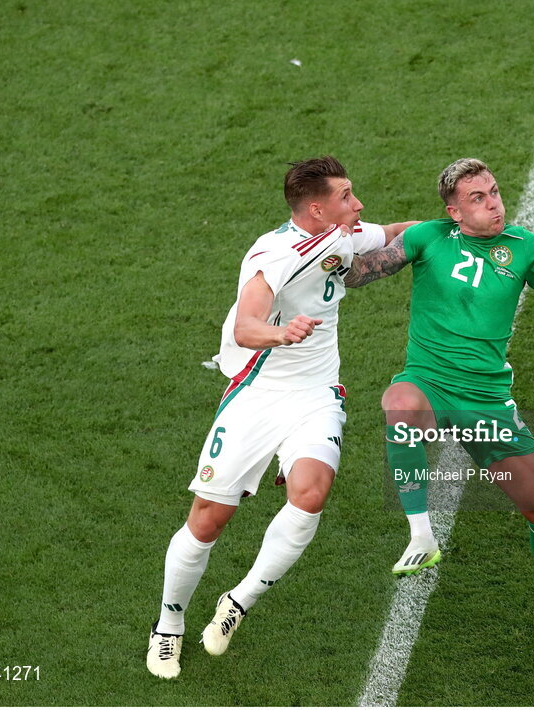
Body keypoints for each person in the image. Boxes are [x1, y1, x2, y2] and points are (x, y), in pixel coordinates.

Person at [146, 156, 418, 679]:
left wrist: (448, 227)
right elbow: (248, 325)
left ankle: (238, 601)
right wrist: (281, 333)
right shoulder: (273, 254)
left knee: (310, 495)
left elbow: (391, 234)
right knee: (207, 521)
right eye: (346, 196)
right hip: (258, 394)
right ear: (317, 209)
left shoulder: (341, 233)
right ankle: (168, 626)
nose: (357, 204)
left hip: (316, 393)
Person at [344, 158, 534, 643]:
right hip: (429, 382)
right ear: (454, 212)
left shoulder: (524, 248)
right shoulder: (427, 236)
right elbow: (356, 274)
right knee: (399, 402)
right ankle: (420, 533)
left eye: (494, 192)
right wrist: (331, 240)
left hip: (487, 402)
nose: (494, 204)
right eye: (479, 198)